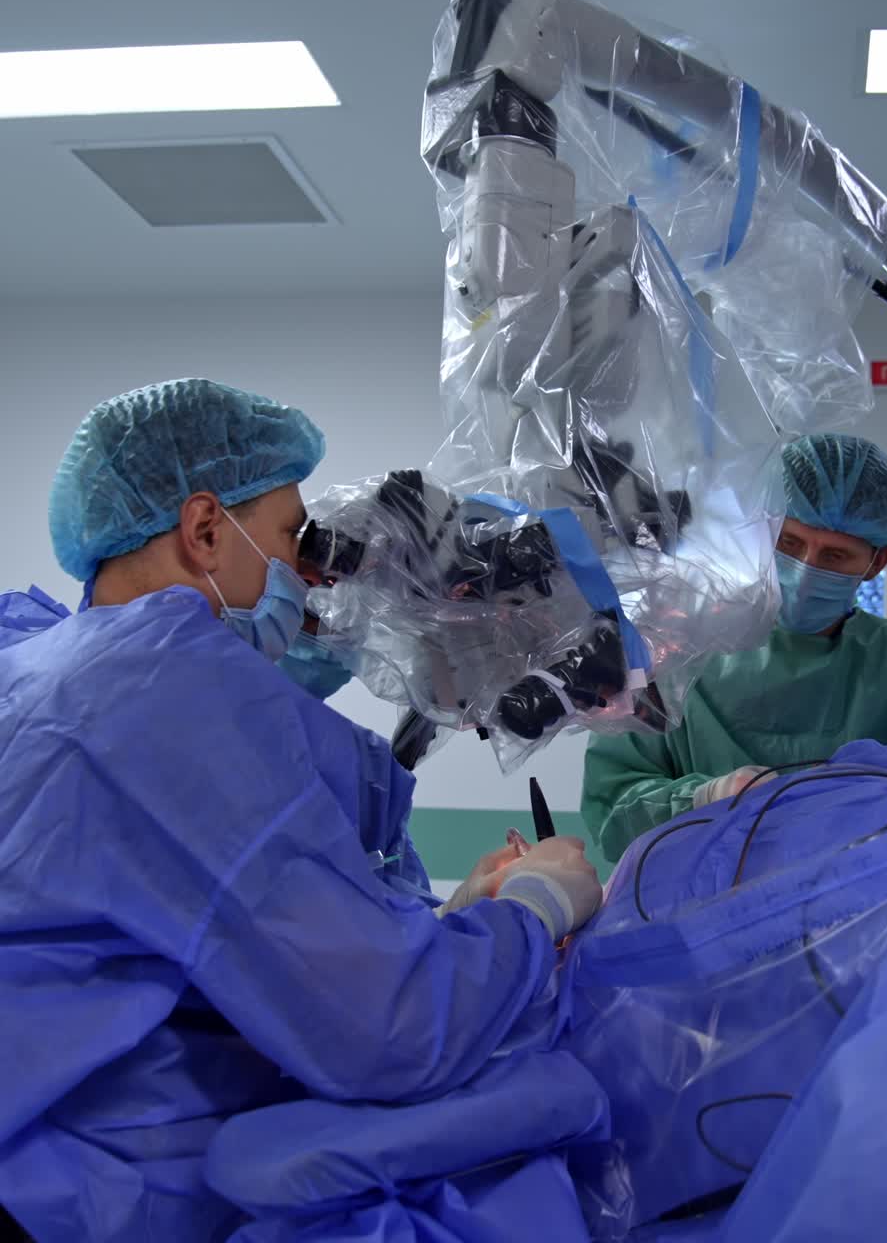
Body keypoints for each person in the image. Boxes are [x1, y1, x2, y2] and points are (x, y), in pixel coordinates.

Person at [0, 378, 602, 1241]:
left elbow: (211, 939)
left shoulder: (35, 661)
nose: (303, 575)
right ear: (206, 530)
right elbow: (389, 1032)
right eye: (290, 537)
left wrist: (442, 926)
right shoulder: (173, 690)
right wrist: (536, 907)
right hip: (71, 1194)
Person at [581, 433, 887, 862]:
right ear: (760, 531)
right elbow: (614, 811)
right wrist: (704, 799)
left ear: (878, 562)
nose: (806, 569)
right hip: (705, 913)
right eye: (790, 544)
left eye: (836, 555)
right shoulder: (675, 655)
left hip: (885, 913)